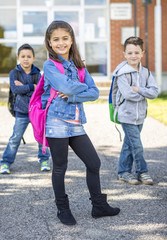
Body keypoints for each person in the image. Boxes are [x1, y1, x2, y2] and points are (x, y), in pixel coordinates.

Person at [41, 20, 120, 226]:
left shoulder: (79, 66)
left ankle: (99, 206)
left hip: (75, 123)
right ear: (49, 42)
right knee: (60, 167)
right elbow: (64, 87)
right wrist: (77, 88)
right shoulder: (50, 65)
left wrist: (73, 94)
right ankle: (62, 209)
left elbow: (94, 92)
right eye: (56, 39)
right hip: (56, 121)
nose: (61, 43)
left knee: (94, 163)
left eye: (65, 38)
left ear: (72, 39)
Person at [113, 37, 158, 185]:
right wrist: (145, 94)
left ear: (142, 53)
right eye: (130, 52)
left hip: (140, 116)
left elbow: (154, 92)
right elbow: (128, 94)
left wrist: (138, 89)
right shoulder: (122, 73)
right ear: (124, 54)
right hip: (126, 115)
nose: (133, 56)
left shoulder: (145, 72)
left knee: (129, 144)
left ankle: (123, 172)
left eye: (137, 52)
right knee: (137, 145)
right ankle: (142, 172)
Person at [0, 44, 51, 174]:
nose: (26, 59)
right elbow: (15, 89)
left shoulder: (37, 73)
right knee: (15, 138)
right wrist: (31, 86)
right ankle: (5, 162)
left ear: (33, 58)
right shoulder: (14, 73)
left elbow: (39, 92)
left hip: (36, 111)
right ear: (18, 58)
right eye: (23, 56)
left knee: (41, 137)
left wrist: (26, 87)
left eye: (29, 56)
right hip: (21, 112)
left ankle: (44, 159)